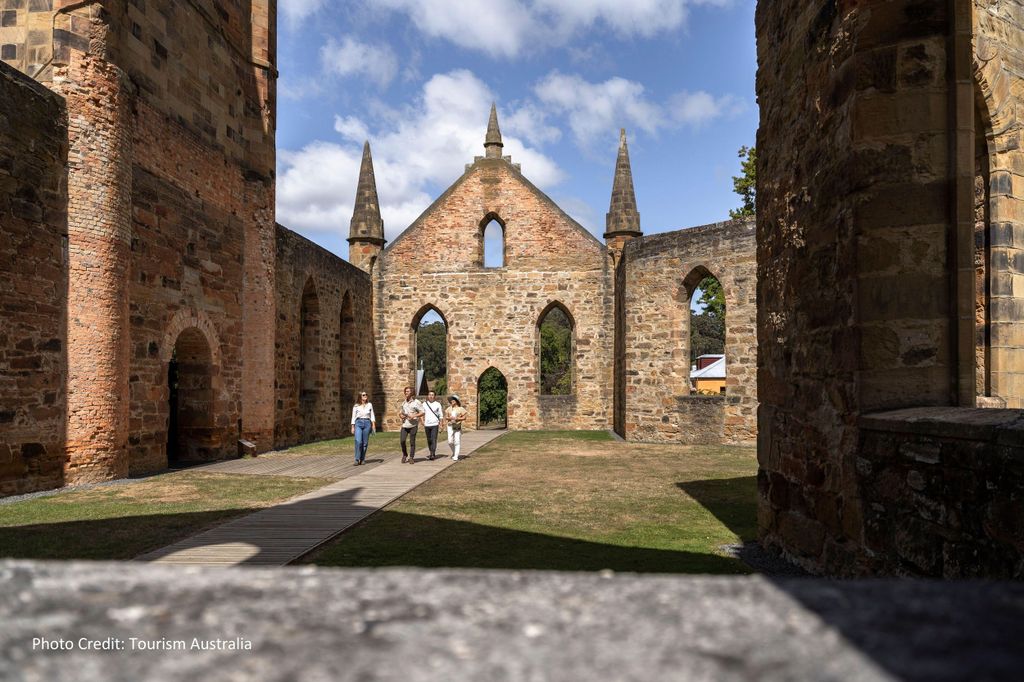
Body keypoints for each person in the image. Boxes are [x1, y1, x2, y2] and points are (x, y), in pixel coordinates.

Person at [350, 391, 375, 465]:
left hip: (367, 423)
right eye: (363, 395)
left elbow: (372, 415)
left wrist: (373, 425)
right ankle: (357, 459)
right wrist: (352, 427)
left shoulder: (369, 405)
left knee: (365, 443)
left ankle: (362, 459)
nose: (365, 396)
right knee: (358, 441)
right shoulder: (356, 406)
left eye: (366, 394)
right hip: (358, 423)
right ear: (360, 397)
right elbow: (353, 417)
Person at [400, 386, 423, 463]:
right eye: (405, 391)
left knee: (412, 442)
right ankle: (405, 454)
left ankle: (411, 457)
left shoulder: (417, 402)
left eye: (408, 391)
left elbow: (422, 412)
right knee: (402, 441)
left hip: (413, 425)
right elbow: (401, 413)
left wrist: (414, 416)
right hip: (404, 425)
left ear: (412, 393)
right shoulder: (403, 403)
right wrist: (401, 416)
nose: (406, 393)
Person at [421, 390, 444, 460]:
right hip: (427, 424)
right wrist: (422, 421)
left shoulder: (437, 404)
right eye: (429, 395)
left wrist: (441, 424)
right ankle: (431, 451)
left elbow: (441, 415)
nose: (431, 396)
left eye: (432, 395)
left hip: (435, 424)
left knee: (434, 439)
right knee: (429, 440)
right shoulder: (424, 404)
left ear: (434, 396)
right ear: (428, 396)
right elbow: (421, 413)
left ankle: (432, 453)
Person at [445, 394, 467, 461]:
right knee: (450, 441)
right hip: (450, 426)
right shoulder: (449, 409)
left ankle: (456, 456)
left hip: (457, 427)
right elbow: (446, 417)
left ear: (457, 401)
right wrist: (450, 418)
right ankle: (454, 453)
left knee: (457, 441)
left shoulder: (461, 409)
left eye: (453, 399)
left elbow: (464, 417)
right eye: (451, 400)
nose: (452, 401)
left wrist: (458, 419)